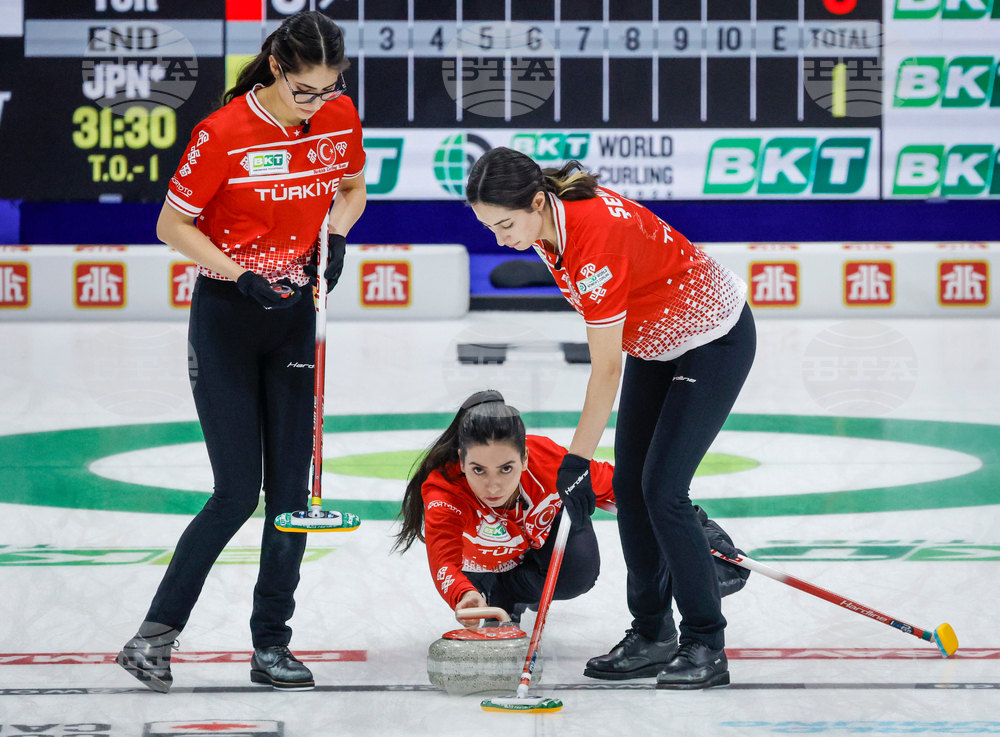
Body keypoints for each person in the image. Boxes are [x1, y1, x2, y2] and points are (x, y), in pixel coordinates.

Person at [116, 11, 366, 693]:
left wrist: (337, 235)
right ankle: (152, 639)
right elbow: (172, 224)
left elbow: (351, 189)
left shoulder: (339, 116)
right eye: (304, 90)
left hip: (295, 318)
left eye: (330, 88)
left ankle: (272, 646)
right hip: (228, 317)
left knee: (290, 497)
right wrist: (238, 273)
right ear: (277, 68)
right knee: (234, 493)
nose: (317, 103)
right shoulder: (222, 133)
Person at [465, 149, 755, 689]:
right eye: (490, 228)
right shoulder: (547, 224)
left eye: (505, 225)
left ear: (536, 202)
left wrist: (576, 460)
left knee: (663, 490)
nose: (501, 240)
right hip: (656, 341)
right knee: (629, 486)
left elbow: (605, 369)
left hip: (712, 340)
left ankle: (705, 643)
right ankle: (651, 634)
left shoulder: (593, 240)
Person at [393, 390, 748, 657]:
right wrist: (464, 594)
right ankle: (498, 593)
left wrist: (697, 531)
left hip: (538, 548)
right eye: (478, 471)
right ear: (461, 461)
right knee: (481, 580)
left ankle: (513, 592)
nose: (494, 486)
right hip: (485, 569)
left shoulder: (547, 462)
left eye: (506, 468)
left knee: (578, 566)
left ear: (525, 457)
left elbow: (627, 488)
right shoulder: (444, 491)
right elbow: (444, 562)